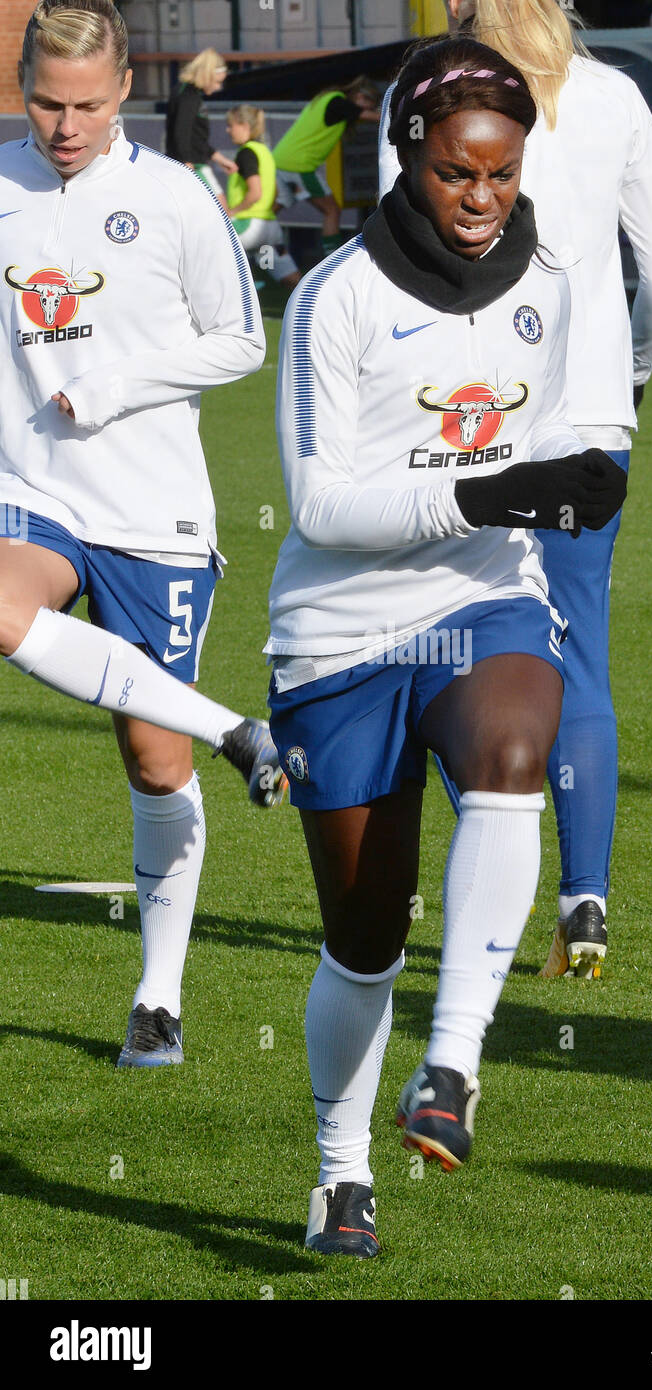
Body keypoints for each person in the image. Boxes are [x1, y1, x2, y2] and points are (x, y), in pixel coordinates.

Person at [266, 35, 628, 1257]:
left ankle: (454, 1064)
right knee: (364, 940)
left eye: (503, 175)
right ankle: (337, 1172)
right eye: (457, 173)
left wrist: (578, 477)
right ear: (407, 153)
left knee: (514, 752)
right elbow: (319, 506)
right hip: (337, 634)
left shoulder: (552, 275)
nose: (482, 200)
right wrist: (480, 493)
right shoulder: (335, 294)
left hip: (485, 600)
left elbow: (571, 428)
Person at [0, 0, 284, 1071]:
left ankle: (158, 995)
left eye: (84, 105)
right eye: (43, 102)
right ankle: (236, 729)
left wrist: (114, 384)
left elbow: (239, 340)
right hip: (34, 490)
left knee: (152, 758)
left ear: (123, 91)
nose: (64, 126)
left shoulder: (173, 200)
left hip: (155, 512)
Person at [379, 0, 652, 980]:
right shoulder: (617, 97)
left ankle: (493, 875)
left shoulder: (424, 95)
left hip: (463, 419)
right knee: (580, 658)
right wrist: (626, 375)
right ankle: (582, 900)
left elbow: (400, 258)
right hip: (590, 425)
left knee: (449, 657)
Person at [272, 77, 381, 261]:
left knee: (268, 212)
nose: (367, 110)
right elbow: (371, 116)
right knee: (332, 211)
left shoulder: (327, 99)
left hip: (281, 161)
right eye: (369, 105)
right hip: (300, 166)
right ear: (361, 96)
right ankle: (333, 261)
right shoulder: (338, 102)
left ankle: (249, 246)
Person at [220, 105, 300, 290]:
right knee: (289, 277)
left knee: (212, 251)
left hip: (248, 227)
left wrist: (232, 212)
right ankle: (314, 301)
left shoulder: (246, 153)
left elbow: (255, 192)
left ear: (245, 126)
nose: (228, 130)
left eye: (231, 125)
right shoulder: (265, 152)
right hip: (270, 228)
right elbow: (276, 193)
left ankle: (246, 286)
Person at [165, 47, 236, 195]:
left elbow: (196, 138)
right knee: (221, 210)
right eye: (217, 82)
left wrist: (220, 159)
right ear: (207, 75)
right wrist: (186, 163)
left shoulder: (186, 92)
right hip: (192, 164)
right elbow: (181, 131)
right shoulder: (188, 96)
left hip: (188, 162)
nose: (218, 87)